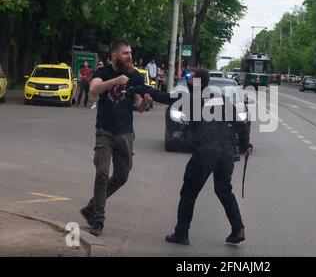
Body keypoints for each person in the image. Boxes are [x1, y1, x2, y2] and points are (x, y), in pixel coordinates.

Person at [134, 68, 253, 245]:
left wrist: (137, 87)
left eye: (189, 78)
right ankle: (238, 229)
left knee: (188, 192)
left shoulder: (189, 99)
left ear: (194, 82)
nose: (187, 80)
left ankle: (181, 234)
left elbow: (161, 96)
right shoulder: (220, 99)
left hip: (205, 152)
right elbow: (240, 123)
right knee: (224, 190)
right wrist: (246, 144)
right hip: (226, 152)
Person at [80, 40, 152, 236]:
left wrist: (145, 103)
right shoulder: (103, 73)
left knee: (122, 176)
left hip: (126, 133)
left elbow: (138, 106)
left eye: (130, 53)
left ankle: (91, 207)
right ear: (114, 56)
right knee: (102, 174)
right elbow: (94, 90)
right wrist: (115, 81)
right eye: (125, 53)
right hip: (105, 131)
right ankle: (98, 219)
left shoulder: (136, 76)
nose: (130, 56)